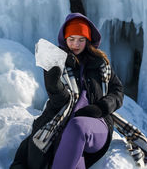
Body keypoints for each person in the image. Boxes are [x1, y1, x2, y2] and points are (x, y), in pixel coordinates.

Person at [10, 12, 124, 169]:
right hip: (63, 121)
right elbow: (59, 100)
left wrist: (101, 107)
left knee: (77, 126)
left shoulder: (101, 64)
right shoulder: (57, 61)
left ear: (88, 40)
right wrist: (54, 85)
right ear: (65, 39)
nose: (76, 44)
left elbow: (117, 91)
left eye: (81, 40)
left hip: (98, 124)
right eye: (71, 39)